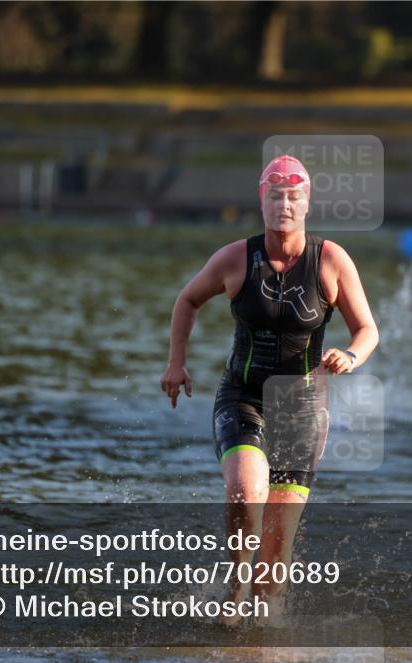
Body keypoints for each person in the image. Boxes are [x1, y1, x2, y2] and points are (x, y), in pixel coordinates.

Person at [159, 155, 379, 621]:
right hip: (243, 397)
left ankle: (264, 635)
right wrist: (176, 363)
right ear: (262, 202)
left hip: (302, 411)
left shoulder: (331, 261)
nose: (284, 204)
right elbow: (187, 300)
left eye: (293, 197)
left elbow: (368, 331)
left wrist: (351, 355)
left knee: (276, 549)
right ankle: (236, 587)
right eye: (275, 196)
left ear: (307, 205)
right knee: (244, 491)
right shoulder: (236, 257)